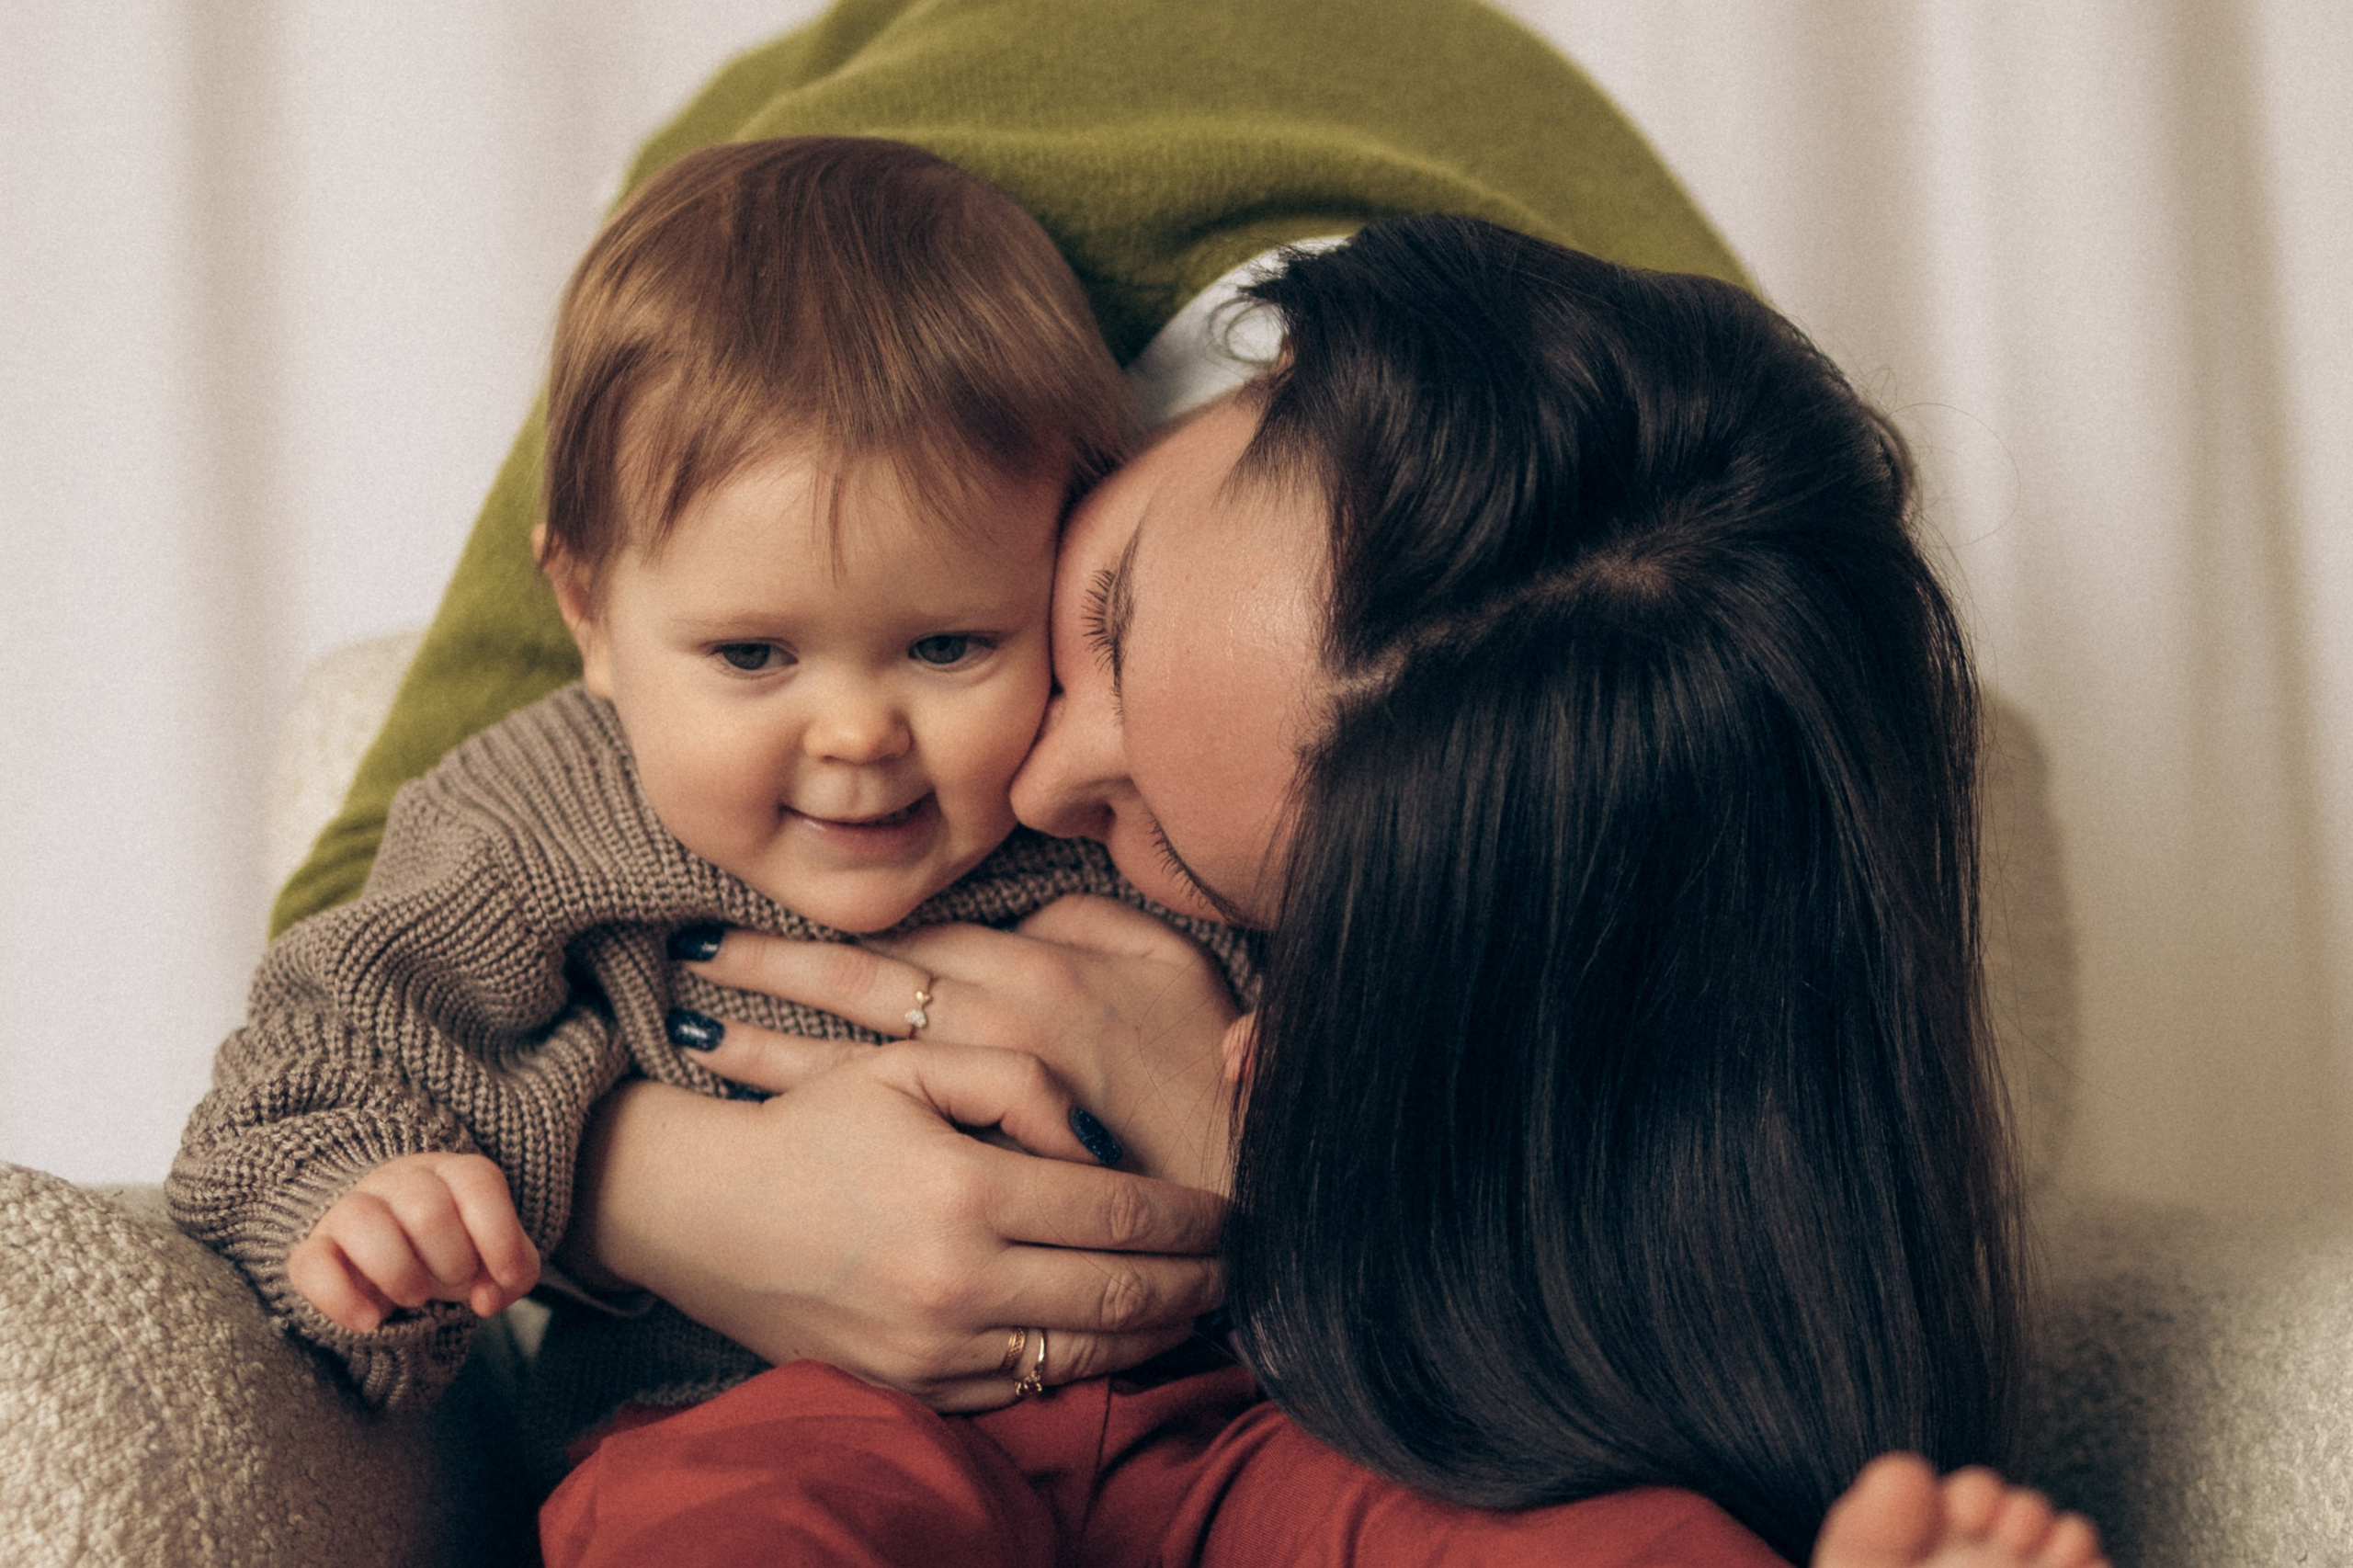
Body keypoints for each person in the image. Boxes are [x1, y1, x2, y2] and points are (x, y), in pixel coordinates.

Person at [535, 220, 2107, 1565]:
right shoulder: (818, 298)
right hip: (758, 1403)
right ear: (1266, 359)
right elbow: (351, 986)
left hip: (1212, 1418)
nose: (1022, 787)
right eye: (1104, 612)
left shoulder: (1665, 822)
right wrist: (662, 1194)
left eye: (1173, 839)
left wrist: (1278, 1166)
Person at [166, 134, 1256, 1416]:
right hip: (741, 1419)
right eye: (754, 653)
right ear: (589, 618)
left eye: (950, 645)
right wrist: (363, 1206)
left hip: (1189, 1413)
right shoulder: (538, 820)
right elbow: (321, 1056)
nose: (856, 734)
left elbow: (1359, 977)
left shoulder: (1103, 784)